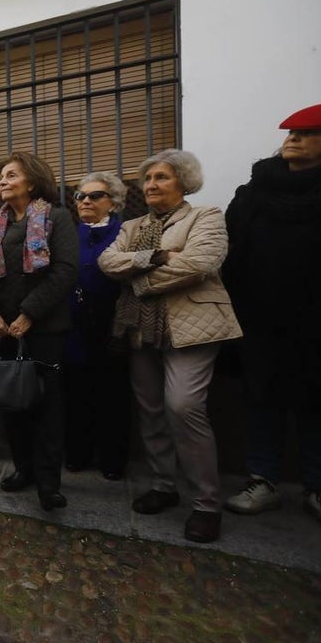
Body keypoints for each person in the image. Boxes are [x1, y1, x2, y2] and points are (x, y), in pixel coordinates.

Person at [99, 150, 242, 544]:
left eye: (161, 177)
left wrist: (141, 279)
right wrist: (158, 256)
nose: (150, 185)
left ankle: (206, 504)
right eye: (146, 179)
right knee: (150, 408)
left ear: (183, 181)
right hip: (140, 329)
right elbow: (108, 263)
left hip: (192, 327)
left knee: (184, 405)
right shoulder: (132, 226)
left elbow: (200, 264)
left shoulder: (206, 216)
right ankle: (164, 484)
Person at [222, 103, 321, 529]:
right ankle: (262, 480)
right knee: (260, 399)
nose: (294, 139)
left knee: (319, 404)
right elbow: (232, 249)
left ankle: (320, 486)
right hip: (260, 315)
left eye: (308, 133)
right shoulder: (255, 191)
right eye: (291, 133)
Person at [0, 152, 79, 512]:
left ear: (31, 182)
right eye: (1, 175)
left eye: (11, 175)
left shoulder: (56, 218)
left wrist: (29, 314)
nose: (3, 180)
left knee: (47, 405)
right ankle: (22, 469)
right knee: (10, 402)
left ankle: (49, 482)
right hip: (0, 330)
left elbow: (64, 270)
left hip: (44, 328)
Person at [63, 172, 131, 481]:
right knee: (76, 393)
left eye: (95, 196)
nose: (85, 201)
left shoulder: (125, 233)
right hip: (73, 325)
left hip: (112, 324)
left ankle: (112, 459)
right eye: (80, 196)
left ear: (113, 203)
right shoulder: (66, 234)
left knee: (112, 395)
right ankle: (77, 453)